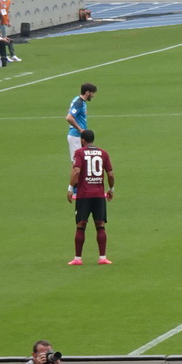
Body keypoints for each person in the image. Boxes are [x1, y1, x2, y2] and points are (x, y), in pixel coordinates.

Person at [67, 128, 114, 266]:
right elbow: (110, 174)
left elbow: (76, 171)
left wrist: (70, 188)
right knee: (100, 224)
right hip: (99, 194)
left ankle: (77, 259)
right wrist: (111, 189)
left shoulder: (79, 153)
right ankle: (102, 257)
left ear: (82, 140)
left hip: (84, 195)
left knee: (81, 225)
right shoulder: (103, 153)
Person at [66, 82, 97, 161]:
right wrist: (80, 129)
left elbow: (70, 110)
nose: (93, 95)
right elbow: (69, 117)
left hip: (79, 137)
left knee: (83, 161)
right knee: (77, 162)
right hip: (76, 136)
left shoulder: (77, 99)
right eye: (92, 93)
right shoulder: (79, 103)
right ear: (87, 93)